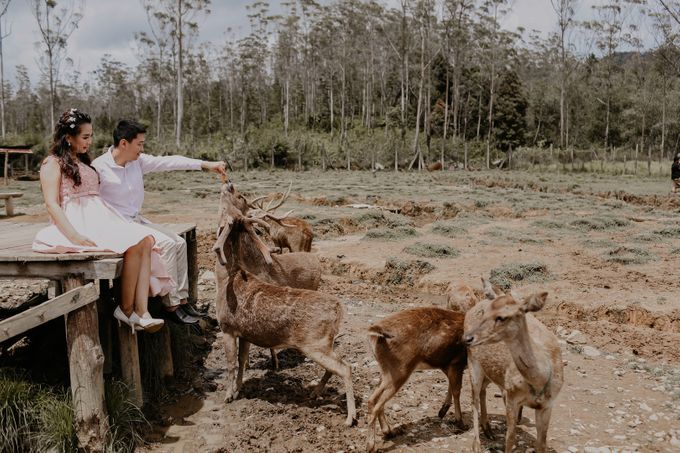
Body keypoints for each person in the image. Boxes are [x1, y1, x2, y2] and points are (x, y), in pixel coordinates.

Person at [33, 109, 173, 333]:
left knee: (146, 240)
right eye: (85, 137)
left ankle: (142, 312)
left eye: (91, 136)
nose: (90, 141)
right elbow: (52, 204)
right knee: (135, 242)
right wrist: (74, 236)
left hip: (101, 216)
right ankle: (126, 310)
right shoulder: (52, 162)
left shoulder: (83, 162)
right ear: (69, 137)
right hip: (79, 221)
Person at [92, 120, 227, 324]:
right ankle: (170, 305)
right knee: (166, 244)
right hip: (117, 226)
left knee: (180, 243)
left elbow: (170, 162)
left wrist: (205, 165)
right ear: (123, 143)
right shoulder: (99, 168)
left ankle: (182, 300)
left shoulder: (138, 161)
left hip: (136, 220)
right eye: (139, 144)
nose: (142, 149)